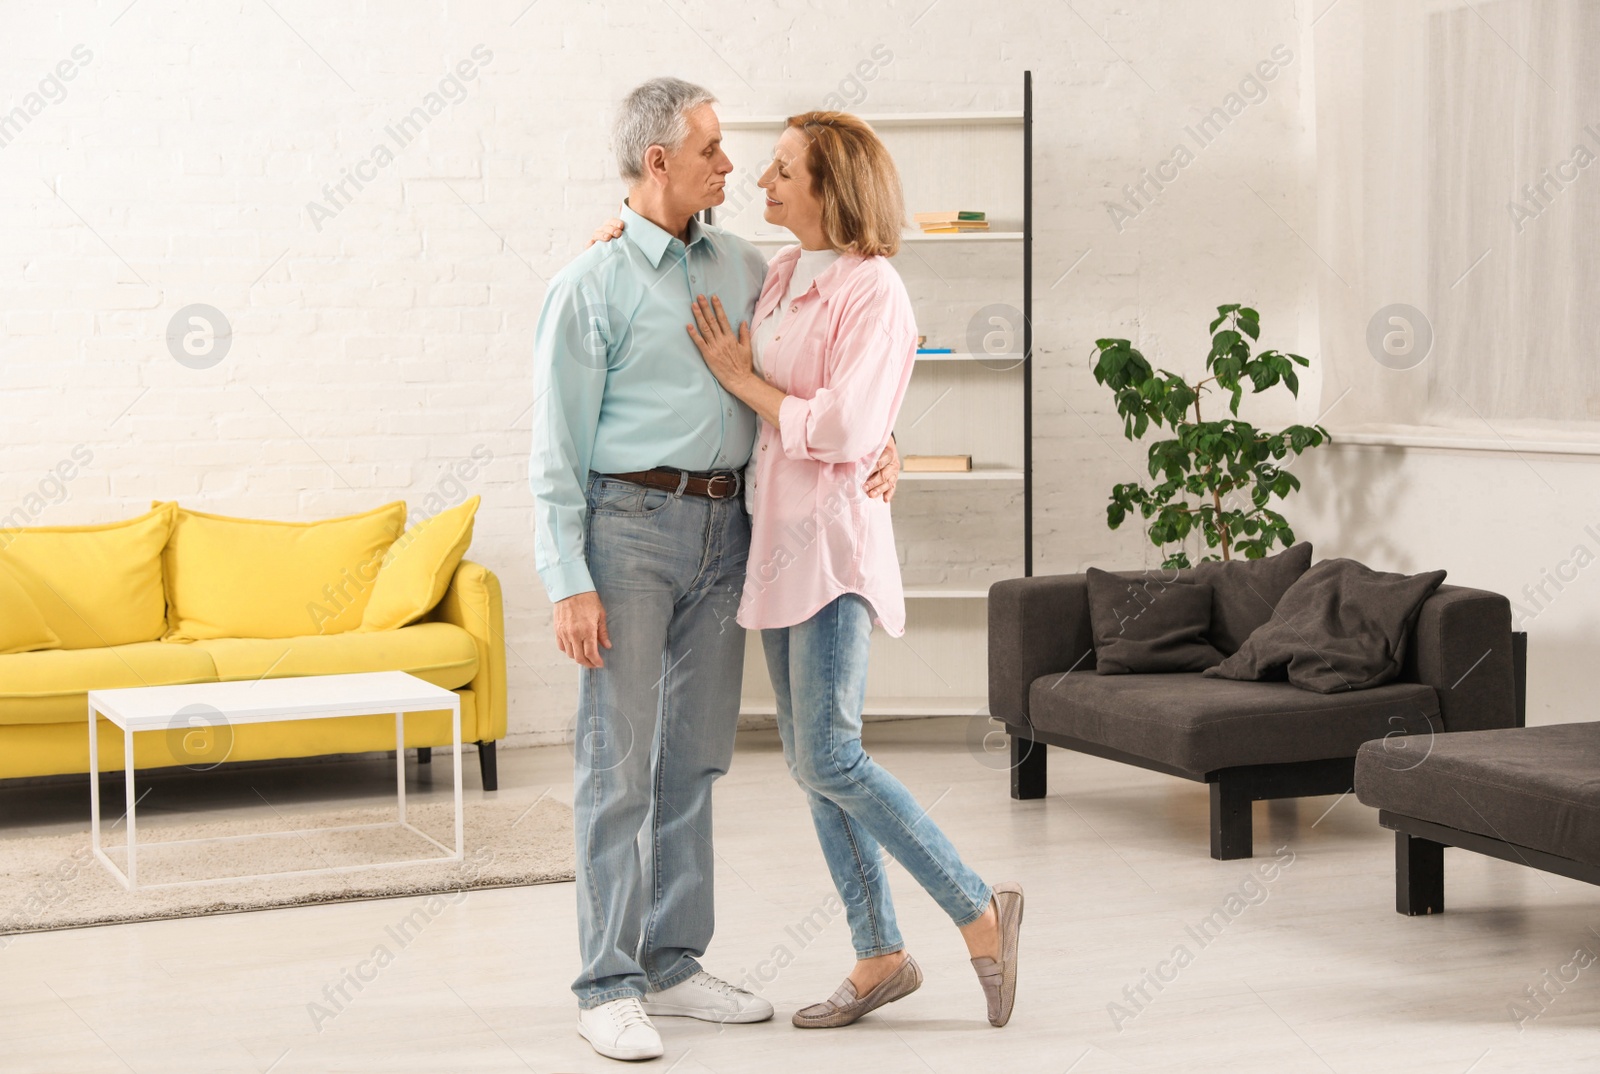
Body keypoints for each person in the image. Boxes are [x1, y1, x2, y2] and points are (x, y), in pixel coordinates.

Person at [611, 111, 1025, 1030]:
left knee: (830, 752)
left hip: (833, 551)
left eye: (784, 170)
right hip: (774, 545)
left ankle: (976, 909)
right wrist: (618, 226)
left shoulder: (876, 290)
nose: (761, 181)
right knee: (810, 764)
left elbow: (841, 427)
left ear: (832, 186)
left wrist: (746, 382)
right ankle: (879, 953)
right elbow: (685, 255)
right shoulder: (789, 272)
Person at [529, 79, 899, 1062]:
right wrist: (567, 575)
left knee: (691, 759)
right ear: (659, 163)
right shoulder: (590, 285)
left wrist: (884, 436)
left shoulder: (748, 269)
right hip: (627, 533)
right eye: (711, 150)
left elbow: (830, 359)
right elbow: (552, 452)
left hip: (729, 530)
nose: (731, 167)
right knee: (616, 765)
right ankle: (606, 985)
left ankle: (673, 963)